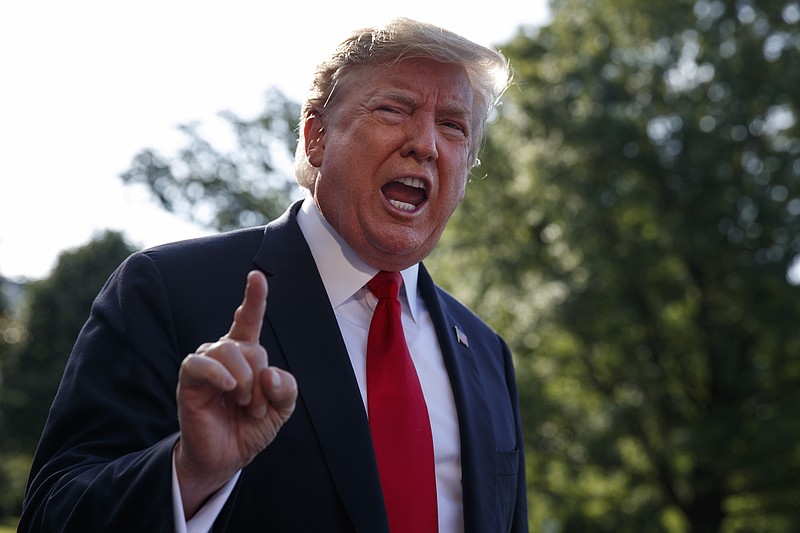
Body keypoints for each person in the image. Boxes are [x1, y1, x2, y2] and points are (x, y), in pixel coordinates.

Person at [20, 17, 528, 532]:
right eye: (393, 109)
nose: (425, 143)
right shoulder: (167, 292)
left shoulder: (487, 356)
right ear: (316, 139)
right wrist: (189, 475)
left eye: (453, 126)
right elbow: (51, 517)